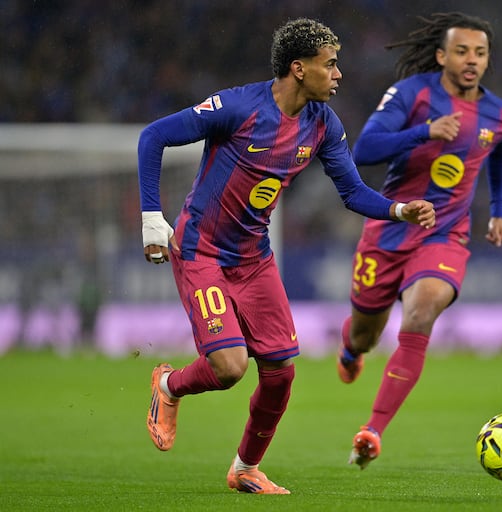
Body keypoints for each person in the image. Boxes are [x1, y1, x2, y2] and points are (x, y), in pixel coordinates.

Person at [138, 18, 435, 495]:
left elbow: (353, 191)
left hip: (254, 259)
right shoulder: (237, 107)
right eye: (330, 64)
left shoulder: (323, 124)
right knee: (231, 367)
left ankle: (245, 469)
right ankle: (169, 386)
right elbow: (153, 136)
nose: (339, 74)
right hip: (202, 252)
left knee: (280, 373)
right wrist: (152, 218)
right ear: (299, 69)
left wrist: (399, 208)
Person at [336, 12, 502, 469]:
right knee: (365, 334)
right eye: (461, 51)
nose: (471, 60)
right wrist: (425, 132)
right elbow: (365, 150)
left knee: (422, 311)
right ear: (441, 56)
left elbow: (500, 149)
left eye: (479, 52)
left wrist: (498, 212)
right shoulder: (412, 94)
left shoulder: (500, 113)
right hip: (389, 227)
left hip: (444, 232)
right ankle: (351, 349)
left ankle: (372, 430)